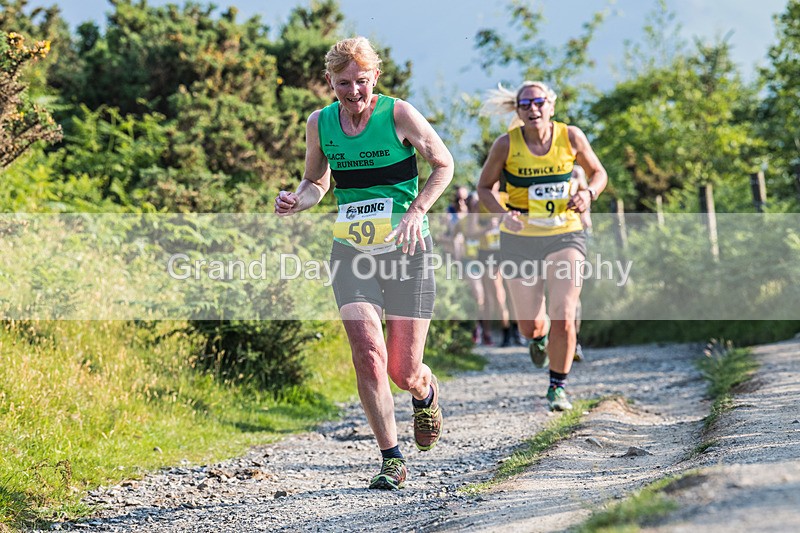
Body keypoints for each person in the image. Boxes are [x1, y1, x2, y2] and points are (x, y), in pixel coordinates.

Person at [274, 37, 454, 489]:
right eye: (342, 84)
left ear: (375, 76)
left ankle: (425, 391)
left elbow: (443, 164)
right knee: (368, 355)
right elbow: (317, 180)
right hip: (352, 251)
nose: (352, 92)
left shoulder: (398, 114)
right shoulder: (321, 122)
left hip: (406, 250)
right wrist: (298, 199)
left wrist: (416, 211)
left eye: (360, 81)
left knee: (402, 371)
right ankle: (391, 458)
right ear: (329, 83)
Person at [477, 81, 607, 411]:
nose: (533, 109)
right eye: (525, 104)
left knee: (563, 314)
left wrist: (587, 193)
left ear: (551, 105)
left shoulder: (571, 136)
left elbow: (598, 173)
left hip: (565, 234)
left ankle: (557, 387)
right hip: (520, 240)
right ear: (518, 111)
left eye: (539, 102)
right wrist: (504, 215)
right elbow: (484, 188)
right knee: (529, 324)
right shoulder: (506, 145)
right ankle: (537, 338)